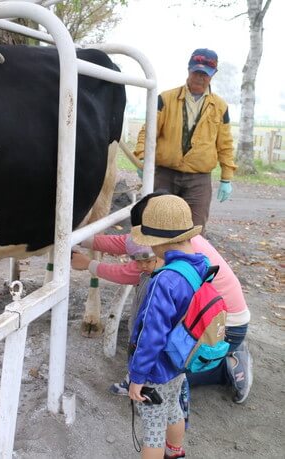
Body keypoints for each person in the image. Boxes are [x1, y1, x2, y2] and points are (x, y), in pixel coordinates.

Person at [75, 191, 253, 404]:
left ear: (155, 239)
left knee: (171, 371)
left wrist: (89, 265)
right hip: (221, 318)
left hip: (223, 327)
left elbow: (129, 274)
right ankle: (225, 349)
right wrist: (81, 240)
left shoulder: (165, 270)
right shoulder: (181, 237)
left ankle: (227, 365)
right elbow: (124, 242)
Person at [127, 194, 206, 459]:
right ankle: (175, 453)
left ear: (159, 243)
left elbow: (151, 334)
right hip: (180, 359)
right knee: (174, 409)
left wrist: (137, 377)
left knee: (151, 428)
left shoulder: (163, 281)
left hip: (157, 369)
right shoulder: (200, 264)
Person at [133, 48, 237, 230]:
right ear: (189, 70)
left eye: (205, 74)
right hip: (165, 174)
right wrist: (143, 158)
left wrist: (226, 178)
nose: (200, 77)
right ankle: (155, 259)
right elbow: (148, 131)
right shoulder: (165, 99)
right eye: (196, 72)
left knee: (195, 230)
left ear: (212, 76)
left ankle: (189, 259)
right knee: (156, 225)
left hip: (199, 180)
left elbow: (225, 145)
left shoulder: (220, 107)